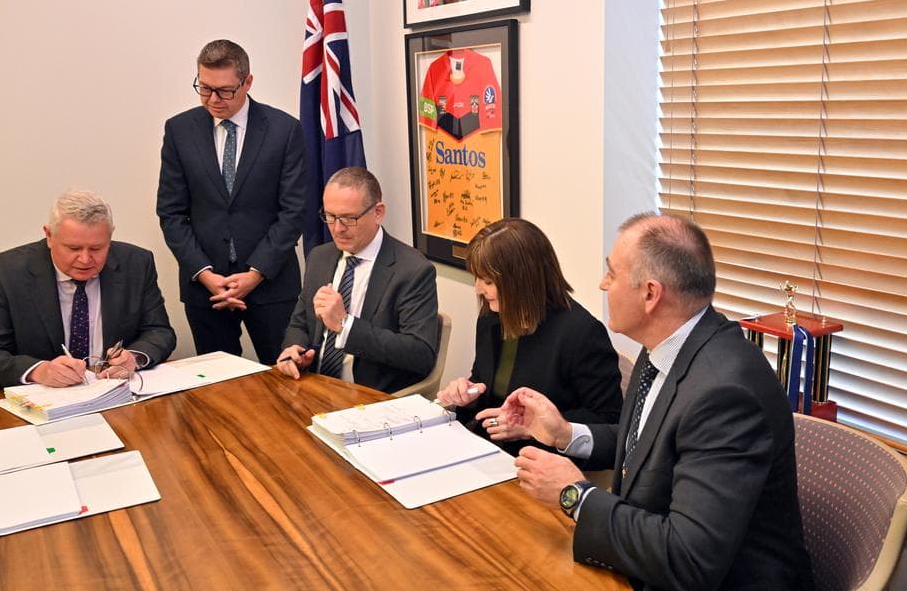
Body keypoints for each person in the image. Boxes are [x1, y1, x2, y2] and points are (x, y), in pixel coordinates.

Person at [500, 213, 814, 590]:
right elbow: (650, 447)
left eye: (611, 274)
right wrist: (566, 434)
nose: (603, 284)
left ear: (650, 294)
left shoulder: (726, 394)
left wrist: (575, 496)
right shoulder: (665, 347)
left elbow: (689, 558)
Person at [157, 39, 307, 365]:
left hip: (271, 284)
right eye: (204, 88)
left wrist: (255, 273)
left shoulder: (284, 130)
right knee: (216, 387)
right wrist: (204, 273)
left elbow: (294, 210)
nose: (214, 100)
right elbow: (171, 212)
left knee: (287, 380)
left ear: (247, 82)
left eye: (225, 91)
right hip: (207, 288)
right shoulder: (180, 130)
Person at [436, 218, 622, 459]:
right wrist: (467, 396)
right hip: (487, 451)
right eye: (477, 278)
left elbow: (610, 423)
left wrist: (532, 427)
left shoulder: (581, 334)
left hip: (541, 462)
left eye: (488, 281)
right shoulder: (491, 317)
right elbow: (487, 386)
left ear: (521, 281)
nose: (478, 289)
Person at [0, 190, 176, 389]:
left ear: (110, 237)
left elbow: (159, 332)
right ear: (49, 236)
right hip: (40, 401)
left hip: (112, 393)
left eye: (96, 248)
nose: (85, 259)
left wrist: (133, 358)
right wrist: (39, 371)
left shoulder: (136, 264)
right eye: (73, 248)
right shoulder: (2, 275)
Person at [275, 167, 439, 394]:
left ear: (378, 212)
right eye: (330, 217)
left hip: (369, 398)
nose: (337, 228)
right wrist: (294, 351)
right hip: (312, 388)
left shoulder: (413, 270)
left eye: (349, 218)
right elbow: (300, 324)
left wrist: (345, 324)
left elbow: (420, 354)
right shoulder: (320, 257)